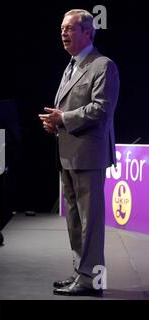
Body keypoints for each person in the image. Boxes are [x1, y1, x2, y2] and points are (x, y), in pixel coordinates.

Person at [39, 9, 120, 296]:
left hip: (89, 156)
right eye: (62, 28)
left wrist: (64, 118)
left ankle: (93, 280)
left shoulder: (103, 66)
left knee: (91, 224)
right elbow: (68, 110)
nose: (63, 33)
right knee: (74, 221)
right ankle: (80, 274)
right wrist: (55, 124)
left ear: (88, 32)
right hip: (68, 154)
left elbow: (101, 108)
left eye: (70, 28)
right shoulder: (71, 65)